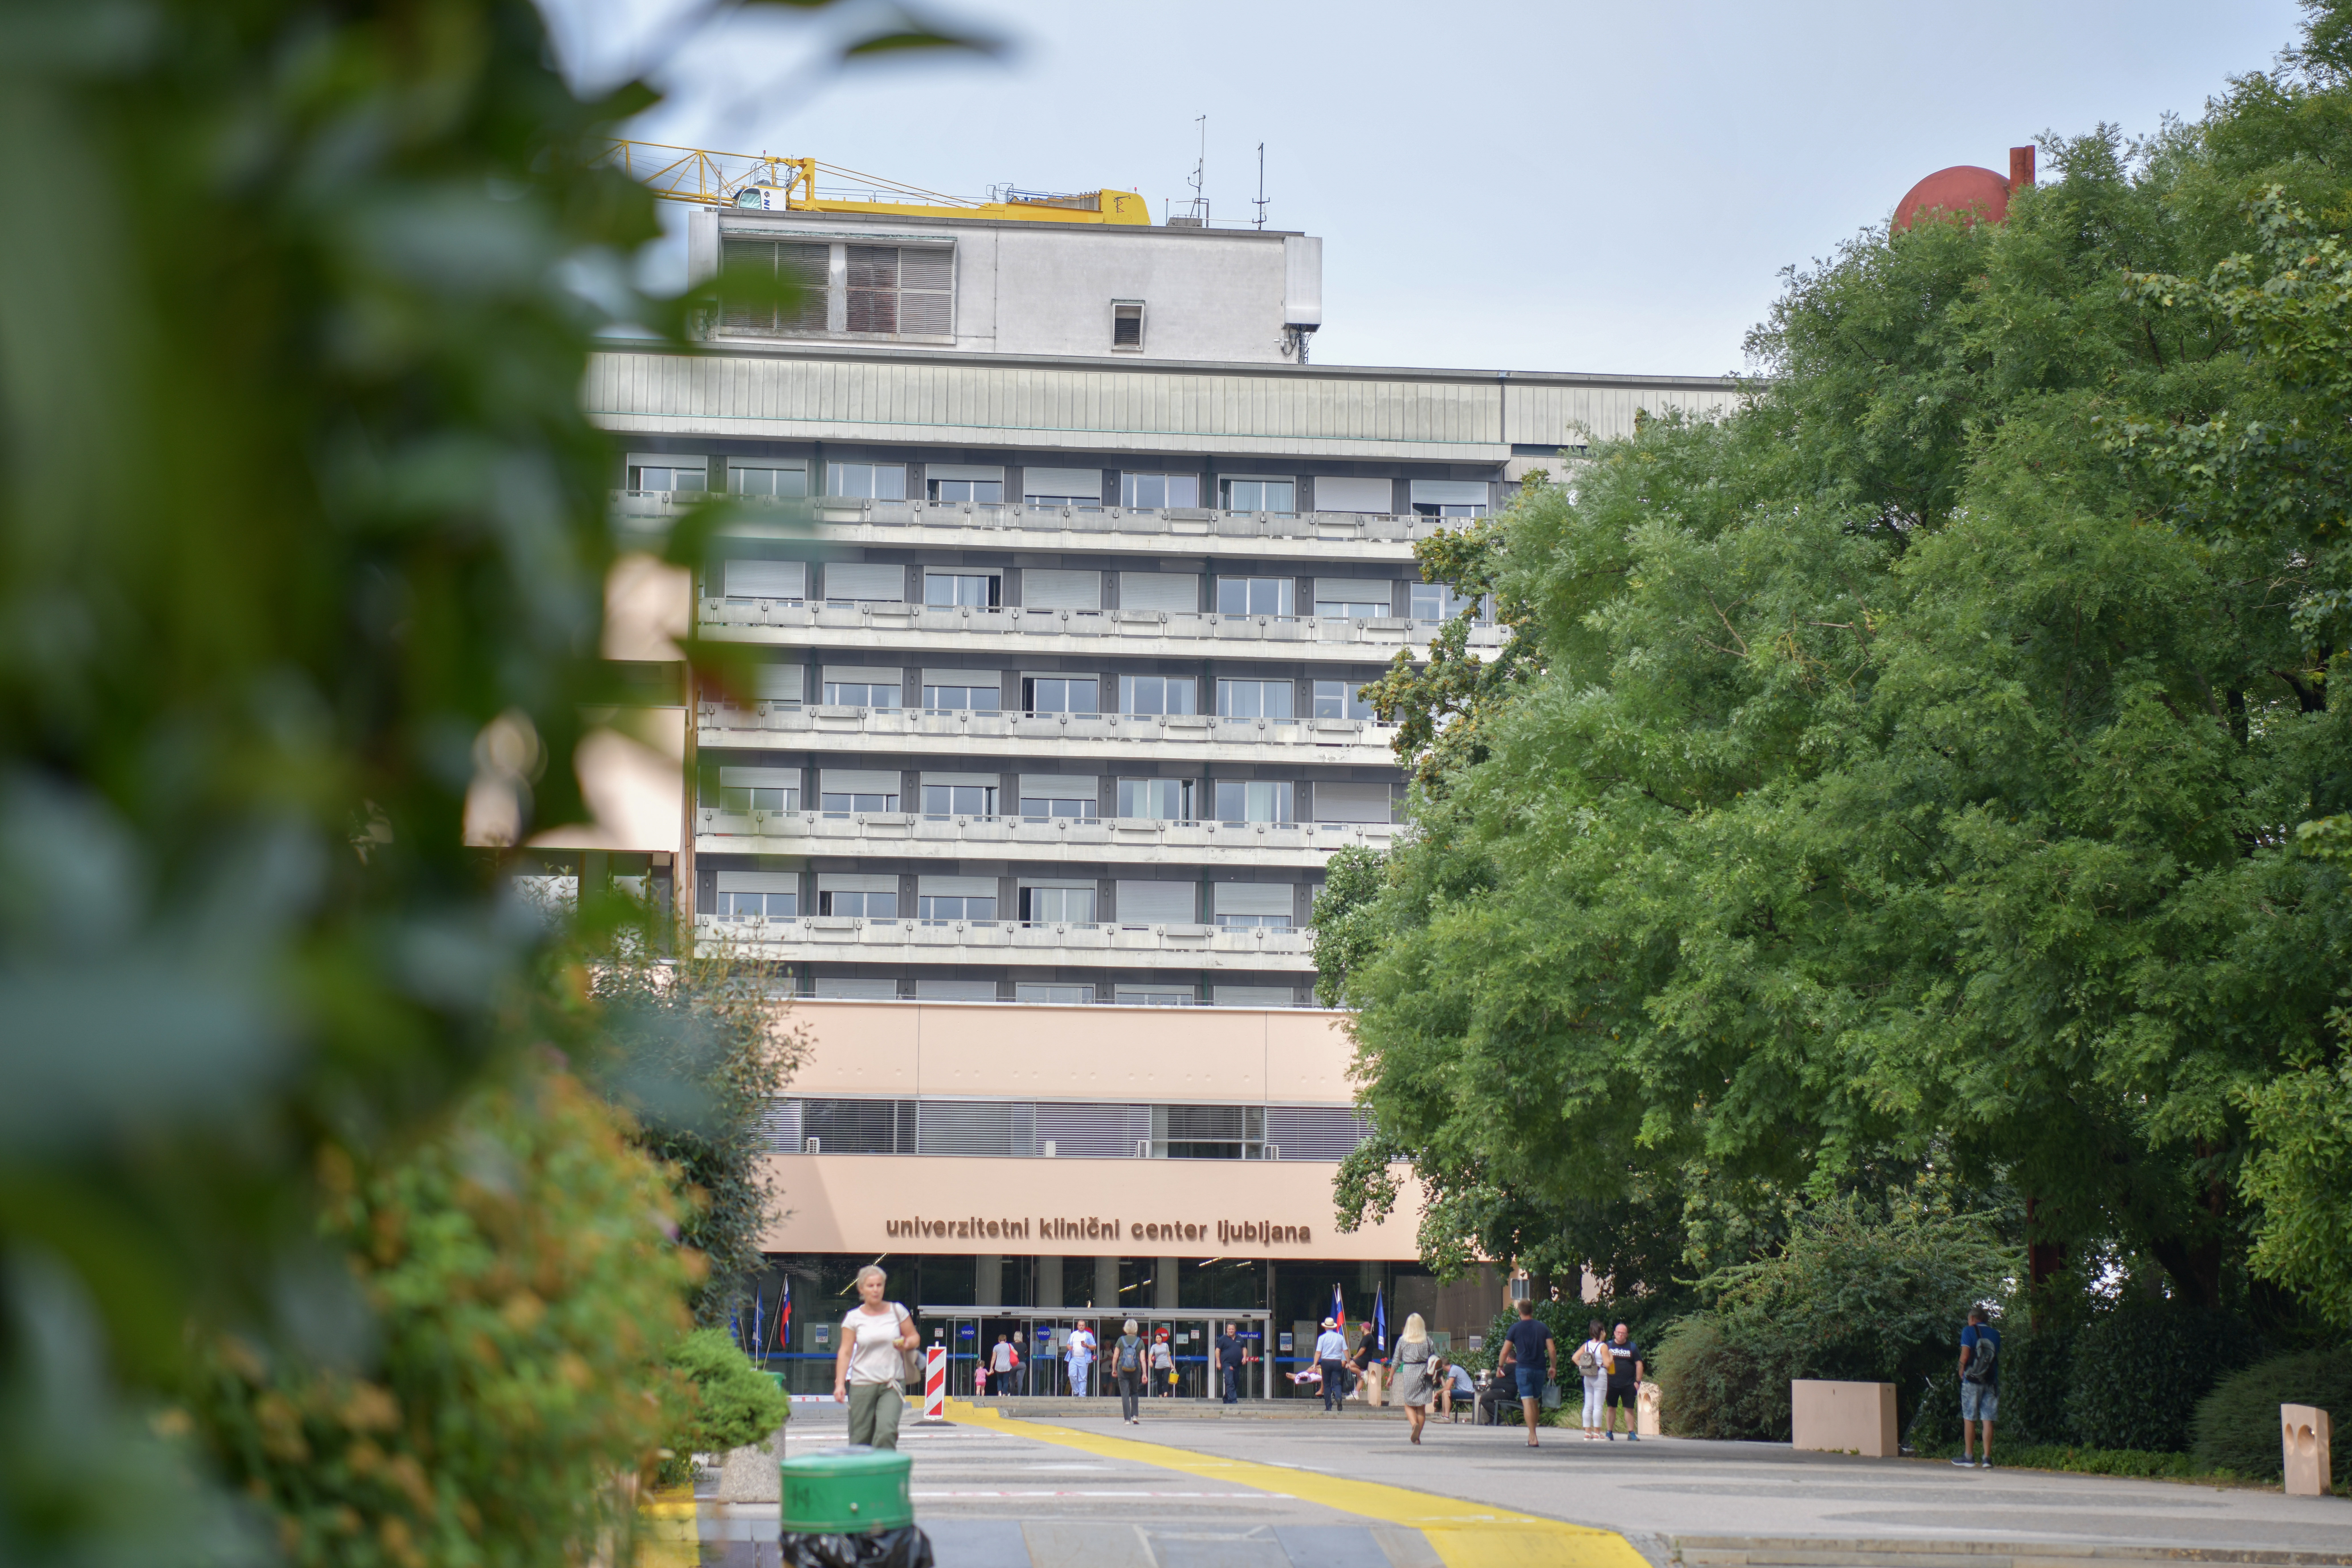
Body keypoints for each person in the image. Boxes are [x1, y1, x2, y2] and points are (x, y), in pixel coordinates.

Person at [832, 1264, 920, 1450]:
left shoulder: (897, 1311)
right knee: (860, 1438)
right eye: (871, 1286)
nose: (876, 1290)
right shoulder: (853, 1318)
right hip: (862, 1384)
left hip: (892, 1383)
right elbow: (846, 1352)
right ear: (862, 1289)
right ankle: (861, 1477)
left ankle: (884, 1476)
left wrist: (907, 1344)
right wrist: (840, 1384)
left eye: (879, 1285)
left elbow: (914, 1337)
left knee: (887, 1432)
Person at [1497, 1300, 1557, 1448]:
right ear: (1532, 1311)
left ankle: (1533, 1436)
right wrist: (1553, 1366)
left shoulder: (1515, 1329)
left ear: (1520, 1312)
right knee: (1535, 1402)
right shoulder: (1543, 1328)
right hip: (1540, 1369)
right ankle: (1533, 1433)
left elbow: (1505, 1351)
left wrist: (1500, 1366)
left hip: (1523, 1368)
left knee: (1527, 1402)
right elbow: (1552, 1350)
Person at [1956, 1306, 2000, 1468]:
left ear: (1973, 1319)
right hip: (1991, 1381)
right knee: (1988, 1419)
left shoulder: (1969, 1331)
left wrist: (1961, 1370)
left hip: (1973, 1381)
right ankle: (1987, 1458)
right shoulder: (1996, 1334)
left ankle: (1969, 1456)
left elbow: (1966, 1355)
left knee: (1970, 1417)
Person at [1391, 1313, 1435, 1444]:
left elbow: (1396, 1360)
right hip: (1424, 1372)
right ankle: (1418, 1437)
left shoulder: (1403, 1341)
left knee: (1408, 1404)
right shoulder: (1428, 1340)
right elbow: (1433, 1358)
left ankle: (1414, 1425)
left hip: (1410, 1371)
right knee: (1421, 1407)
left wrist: (1391, 1376)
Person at [1604, 1321, 1643, 1441]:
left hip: (1629, 1384)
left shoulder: (1632, 1347)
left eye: (1623, 1333)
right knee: (1611, 1407)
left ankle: (1631, 1433)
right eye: (1619, 1333)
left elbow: (1639, 1364)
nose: (1621, 1335)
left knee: (1629, 1408)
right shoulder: (1608, 1346)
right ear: (1615, 1333)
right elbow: (1602, 1363)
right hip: (1611, 1383)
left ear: (1627, 1335)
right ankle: (1609, 1433)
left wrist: (1638, 1382)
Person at [1574, 1318, 1611, 1440]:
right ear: (1601, 1332)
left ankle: (1587, 1432)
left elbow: (1575, 1357)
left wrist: (1583, 1366)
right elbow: (1608, 1364)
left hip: (1588, 1375)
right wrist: (1611, 1356)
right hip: (1600, 1374)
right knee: (1598, 1406)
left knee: (1588, 1405)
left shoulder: (1587, 1345)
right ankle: (1597, 1433)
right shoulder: (1603, 1346)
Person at [1112, 1319, 1146, 1422]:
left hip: (1122, 1368)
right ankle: (1135, 1416)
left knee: (1125, 1394)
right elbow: (1143, 1359)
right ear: (1136, 1329)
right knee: (1135, 1392)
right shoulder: (1140, 1341)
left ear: (1125, 1329)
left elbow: (1116, 1356)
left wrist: (1114, 1369)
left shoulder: (1121, 1340)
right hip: (1136, 1368)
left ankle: (1127, 1420)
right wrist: (1144, 1374)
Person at [1313, 1316, 1349, 1414]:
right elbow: (1345, 1351)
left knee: (1327, 1385)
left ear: (1325, 1327)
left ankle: (1328, 1407)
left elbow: (1318, 1352)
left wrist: (1315, 1364)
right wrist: (1349, 1362)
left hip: (1326, 1363)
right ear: (1333, 1327)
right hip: (1337, 1363)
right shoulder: (1340, 1337)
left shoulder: (1322, 1338)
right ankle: (1338, 1398)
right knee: (1337, 1383)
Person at [1436, 1355, 1476, 1422]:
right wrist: (1441, 1378)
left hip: (1470, 1392)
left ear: (1443, 1366)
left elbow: (1448, 1388)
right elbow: (1446, 1387)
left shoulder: (1454, 1370)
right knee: (1444, 1393)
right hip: (1464, 1391)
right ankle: (1443, 1416)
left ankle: (1446, 1418)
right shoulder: (1451, 1370)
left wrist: (1437, 1392)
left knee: (1446, 1393)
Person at [1216, 1323, 1247, 1404]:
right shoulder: (1223, 1339)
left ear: (1235, 1330)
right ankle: (1233, 1401)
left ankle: (1226, 1398)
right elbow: (1218, 1350)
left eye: (1232, 1329)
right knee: (1230, 1381)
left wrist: (1245, 1357)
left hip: (1237, 1365)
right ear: (1227, 1330)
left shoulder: (1240, 1339)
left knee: (1235, 1382)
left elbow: (1244, 1348)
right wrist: (1218, 1362)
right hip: (1227, 1364)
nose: (1231, 1331)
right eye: (1229, 1329)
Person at [1065, 1320, 1095, 1398]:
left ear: (1085, 1326)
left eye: (1083, 1325)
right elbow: (1068, 1344)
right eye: (1080, 1325)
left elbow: (1094, 1346)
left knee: (1083, 1378)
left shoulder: (1088, 1335)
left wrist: (1087, 1346)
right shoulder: (1073, 1334)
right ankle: (1076, 1391)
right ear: (1078, 1326)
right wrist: (1068, 1347)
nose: (1081, 1327)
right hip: (1074, 1358)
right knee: (1072, 1375)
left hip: (1084, 1359)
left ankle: (1082, 1396)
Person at [990, 1333, 1020, 1398]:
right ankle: (1004, 1394)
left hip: (998, 1367)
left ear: (999, 1340)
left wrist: (991, 1368)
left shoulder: (996, 1347)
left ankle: (1000, 1393)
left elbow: (994, 1358)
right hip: (1007, 1367)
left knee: (999, 1380)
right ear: (1006, 1340)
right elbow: (1016, 1353)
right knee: (1006, 1381)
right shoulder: (1009, 1346)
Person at [1149, 1328, 1176, 1397]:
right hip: (1158, 1366)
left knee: (1165, 1380)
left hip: (1166, 1365)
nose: (1158, 1339)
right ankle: (1160, 1395)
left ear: (1162, 1339)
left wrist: (1172, 1365)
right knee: (1159, 1381)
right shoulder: (1154, 1347)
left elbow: (1168, 1356)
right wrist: (1150, 1362)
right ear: (1156, 1340)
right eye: (1157, 1338)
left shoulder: (1166, 1345)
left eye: (1160, 1338)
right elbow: (1150, 1356)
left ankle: (1166, 1394)